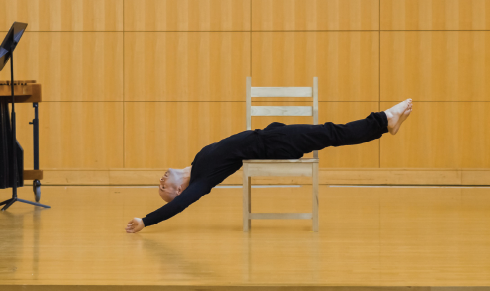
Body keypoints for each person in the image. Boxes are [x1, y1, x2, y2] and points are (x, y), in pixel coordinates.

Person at [125, 99, 414, 232]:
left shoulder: (197, 162)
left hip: (271, 135)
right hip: (276, 143)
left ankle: (385, 126)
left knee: (330, 133)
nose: (160, 180)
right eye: (162, 187)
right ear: (178, 191)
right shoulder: (202, 180)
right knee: (332, 133)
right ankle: (384, 119)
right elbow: (179, 207)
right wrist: (146, 220)